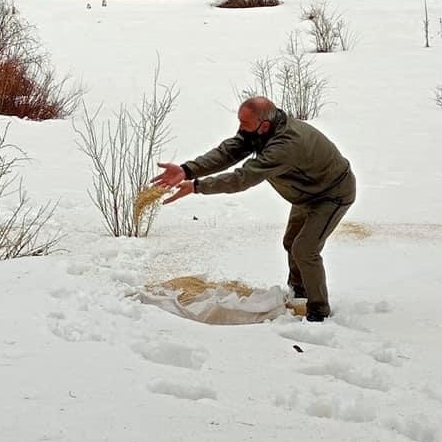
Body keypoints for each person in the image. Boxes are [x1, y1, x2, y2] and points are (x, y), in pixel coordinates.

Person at [152, 96, 356, 322]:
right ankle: (300, 293)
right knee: (291, 241)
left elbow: (243, 178)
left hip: (332, 194)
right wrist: (187, 170)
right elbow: (228, 152)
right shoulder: (260, 131)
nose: (240, 129)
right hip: (307, 193)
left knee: (304, 249)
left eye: (244, 124)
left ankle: (318, 312)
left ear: (264, 125)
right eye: (239, 122)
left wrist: (197, 186)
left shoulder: (286, 145)